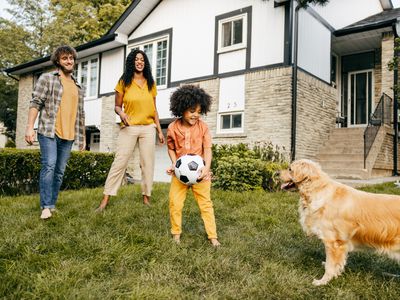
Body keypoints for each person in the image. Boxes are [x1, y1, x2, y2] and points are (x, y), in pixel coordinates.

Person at [96, 49, 165, 211]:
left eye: (142, 59)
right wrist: (122, 114)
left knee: (148, 164)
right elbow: (117, 106)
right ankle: (105, 199)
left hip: (148, 128)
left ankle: (146, 198)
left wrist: (160, 131)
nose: (139, 62)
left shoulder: (150, 83)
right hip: (129, 127)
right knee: (120, 162)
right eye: (136, 59)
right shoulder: (124, 82)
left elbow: (154, 109)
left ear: (145, 62)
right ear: (131, 62)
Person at [25, 45, 86, 220]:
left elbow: (80, 114)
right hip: (49, 132)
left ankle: (51, 204)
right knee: (49, 166)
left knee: (59, 171)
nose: (69, 61)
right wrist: (30, 127)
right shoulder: (48, 79)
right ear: (58, 61)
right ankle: (45, 206)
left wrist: (82, 139)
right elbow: (36, 103)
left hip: (69, 136)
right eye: (65, 58)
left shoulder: (78, 86)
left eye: (71, 58)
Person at [166, 85, 220, 247]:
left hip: (200, 174)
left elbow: (208, 149)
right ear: (181, 109)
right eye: (191, 111)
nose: (195, 115)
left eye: (198, 111)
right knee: (175, 203)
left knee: (206, 205)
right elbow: (171, 148)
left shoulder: (203, 127)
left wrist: (207, 168)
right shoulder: (172, 128)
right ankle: (176, 234)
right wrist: (175, 164)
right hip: (180, 175)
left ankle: (213, 237)